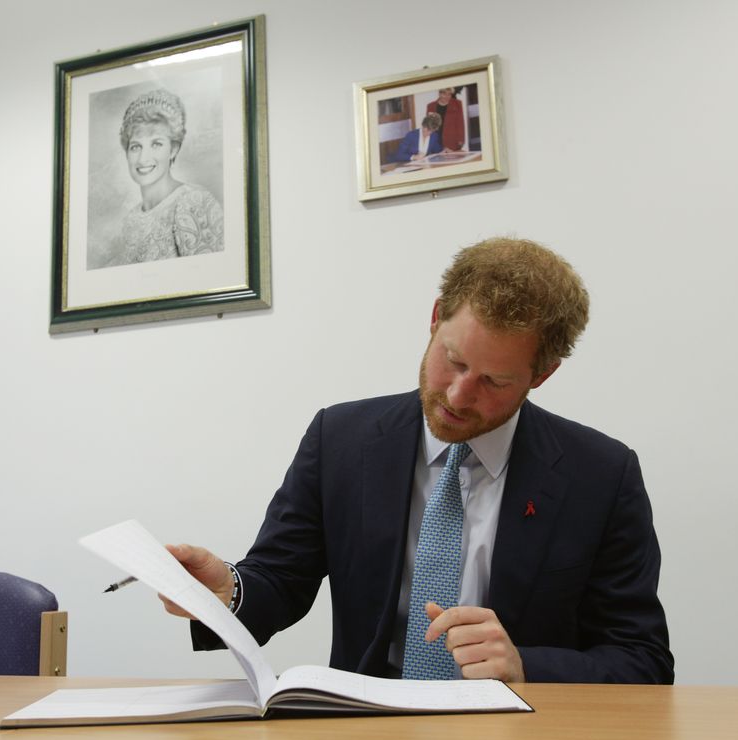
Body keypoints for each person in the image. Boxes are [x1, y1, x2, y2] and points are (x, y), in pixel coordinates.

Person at [162, 238, 674, 684]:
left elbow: (641, 659)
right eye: (452, 359)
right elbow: (280, 582)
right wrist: (225, 591)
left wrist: (525, 665)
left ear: (541, 376)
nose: (457, 394)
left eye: (493, 382)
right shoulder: (340, 440)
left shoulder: (602, 476)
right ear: (434, 320)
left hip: (520, 728)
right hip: (368, 724)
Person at [115, 88, 223, 265]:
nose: (143, 158)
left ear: (173, 149)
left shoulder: (193, 202)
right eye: (135, 146)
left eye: (156, 144)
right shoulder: (130, 220)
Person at [426, 87, 465, 152]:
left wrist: (461, 139)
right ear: (439, 94)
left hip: (452, 139)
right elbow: (429, 126)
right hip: (437, 139)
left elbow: (460, 122)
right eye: (444, 94)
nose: (447, 97)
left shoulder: (457, 104)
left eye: (449, 94)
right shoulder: (431, 106)